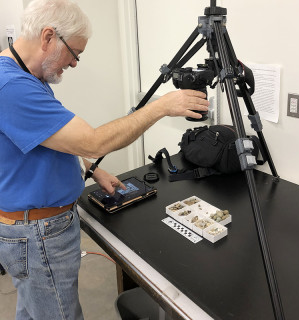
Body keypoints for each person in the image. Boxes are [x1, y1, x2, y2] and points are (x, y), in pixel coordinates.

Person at [0, 0, 209, 319]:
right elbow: (94, 140)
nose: (73, 65)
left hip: (34, 227)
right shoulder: (12, 87)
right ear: (48, 37)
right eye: (75, 53)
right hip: (39, 232)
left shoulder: (27, 76)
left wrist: (91, 169)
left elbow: (53, 137)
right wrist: (160, 106)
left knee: (32, 311)